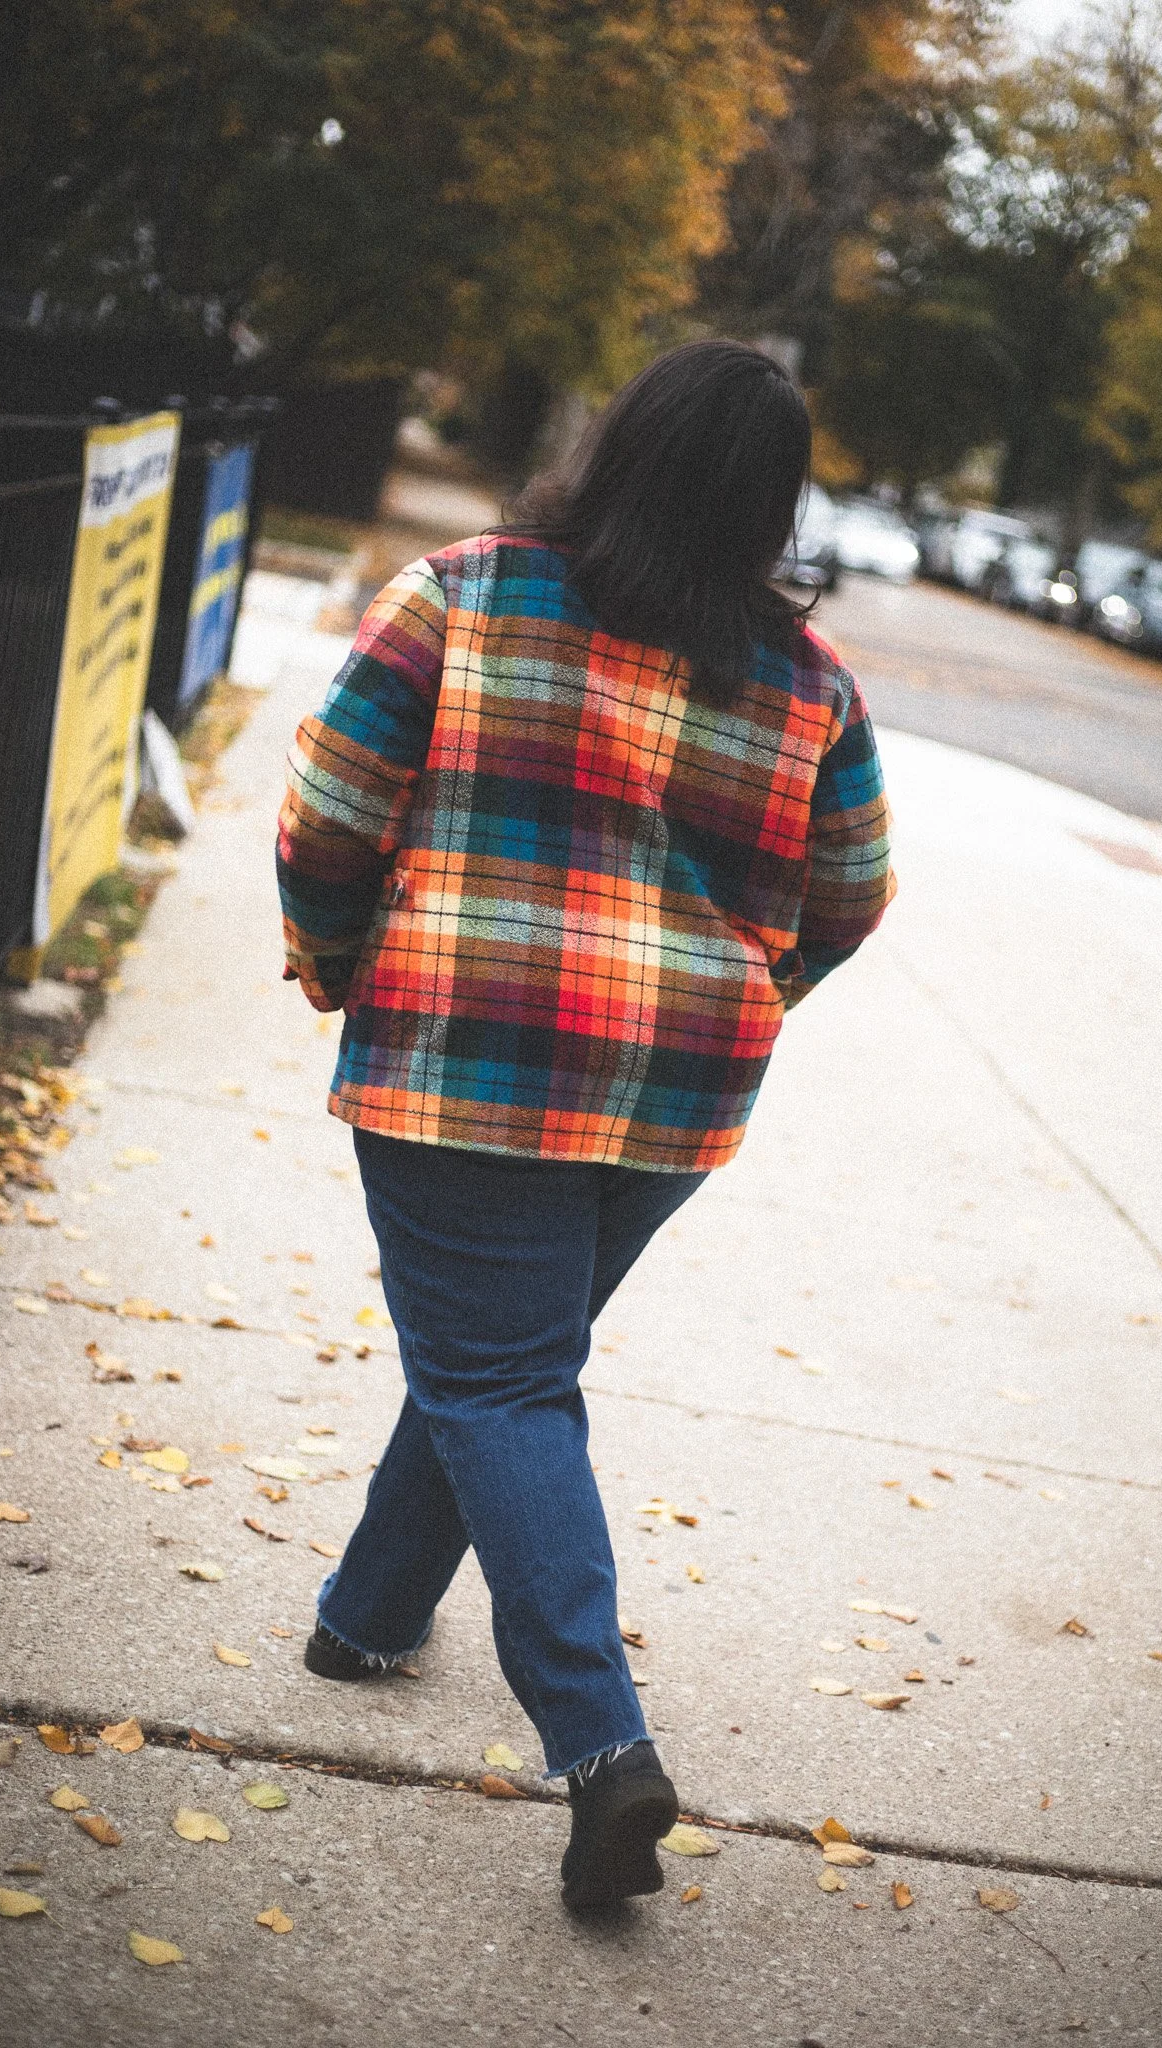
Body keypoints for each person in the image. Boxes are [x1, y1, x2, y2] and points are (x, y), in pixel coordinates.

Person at [276, 338, 895, 1908]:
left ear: (618, 448)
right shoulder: (812, 686)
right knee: (505, 1362)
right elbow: (855, 891)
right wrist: (743, 990)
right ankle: (366, 1616)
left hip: (467, 1050)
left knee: (497, 1371)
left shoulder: (470, 594)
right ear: (772, 504)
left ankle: (602, 1746)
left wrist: (340, 954)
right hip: (670, 1090)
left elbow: (333, 801)